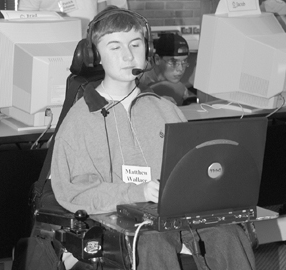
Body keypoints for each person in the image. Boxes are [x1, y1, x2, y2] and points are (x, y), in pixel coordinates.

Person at [51, 6, 256, 270]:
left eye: (135, 45)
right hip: (112, 222)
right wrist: (138, 191)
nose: (128, 55)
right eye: (114, 47)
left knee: (228, 235)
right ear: (94, 56)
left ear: (146, 51)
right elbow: (74, 192)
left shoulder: (163, 108)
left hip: (171, 215)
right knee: (153, 241)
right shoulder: (80, 120)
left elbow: (190, 168)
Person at [141, 33, 194, 106]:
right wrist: (153, 102)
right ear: (157, 59)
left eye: (184, 61)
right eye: (173, 62)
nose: (180, 69)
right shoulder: (140, 74)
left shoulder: (178, 87)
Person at [18, 0, 108, 37]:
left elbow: (103, 12)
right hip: (54, 42)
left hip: (89, 43)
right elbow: (24, 18)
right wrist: (54, 18)